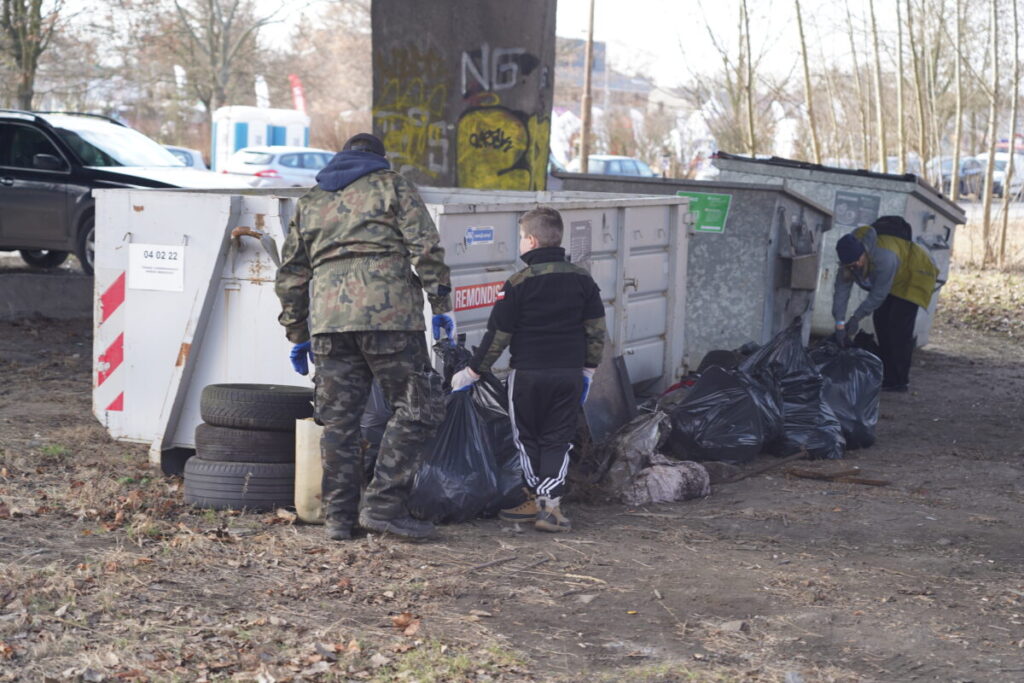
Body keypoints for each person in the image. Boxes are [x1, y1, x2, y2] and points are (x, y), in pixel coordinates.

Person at [274, 133, 455, 541]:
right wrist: (441, 304)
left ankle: (338, 518)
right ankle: (383, 506)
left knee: (339, 421)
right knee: (418, 407)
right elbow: (426, 249)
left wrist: (297, 331)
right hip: (390, 317)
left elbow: (291, 274)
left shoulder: (311, 201)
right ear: (379, 158)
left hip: (329, 322)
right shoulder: (393, 186)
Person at [448, 207, 606, 533]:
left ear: (532, 241)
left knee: (526, 439)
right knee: (558, 439)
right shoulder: (583, 279)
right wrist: (589, 371)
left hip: (528, 375)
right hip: (568, 374)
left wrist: (473, 372)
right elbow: (596, 330)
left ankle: (538, 498)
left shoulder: (517, 283)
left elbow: (498, 336)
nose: (520, 243)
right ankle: (550, 506)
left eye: (521, 237)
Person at [832, 216, 939, 393]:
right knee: (881, 322)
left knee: (897, 327)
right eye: (850, 266)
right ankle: (887, 374)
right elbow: (840, 295)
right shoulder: (849, 263)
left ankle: (899, 381)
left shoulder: (884, 257)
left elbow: (878, 295)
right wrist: (839, 325)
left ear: (864, 253)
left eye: (857, 262)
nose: (855, 267)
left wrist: (856, 318)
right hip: (894, 278)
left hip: (915, 274)